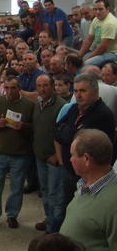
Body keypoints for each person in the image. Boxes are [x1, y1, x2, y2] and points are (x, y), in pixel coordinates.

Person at [54, 73, 116, 218]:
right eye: (75, 91)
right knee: (62, 207)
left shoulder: (103, 114)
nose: (78, 95)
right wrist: (70, 133)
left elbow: (77, 139)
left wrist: (67, 133)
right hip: (69, 169)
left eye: (82, 91)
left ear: (95, 92)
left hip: (88, 175)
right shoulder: (74, 108)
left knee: (80, 213)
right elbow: (56, 130)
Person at [0, 76, 35, 230]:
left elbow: (34, 128)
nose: (10, 91)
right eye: (7, 88)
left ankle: (12, 215)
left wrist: (24, 126)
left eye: (13, 88)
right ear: (3, 88)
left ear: (19, 88)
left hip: (20, 153)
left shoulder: (29, 104)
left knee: (16, 186)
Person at [60, 129, 117, 251]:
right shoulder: (84, 185)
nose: (70, 160)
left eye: (72, 155)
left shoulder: (114, 203)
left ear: (86, 159)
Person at [32, 74, 66, 234]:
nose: (42, 89)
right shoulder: (37, 103)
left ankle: (54, 229)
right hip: (40, 156)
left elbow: (63, 134)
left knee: (55, 194)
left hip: (53, 158)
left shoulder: (61, 105)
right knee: (45, 190)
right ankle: (49, 219)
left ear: (52, 86)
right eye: (39, 86)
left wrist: (57, 156)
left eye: (45, 85)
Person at [78, 0, 117, 67]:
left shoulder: (110, 23)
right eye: (95, 9)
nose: (97, 12)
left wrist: (88, 58)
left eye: (100, 9)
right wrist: (78, 56)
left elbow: (103, 47)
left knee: (86, 63)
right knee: (77, 60)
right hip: (102, 51)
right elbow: (88, 40)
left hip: (112, 53)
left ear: (107, 9)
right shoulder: (96, 19)